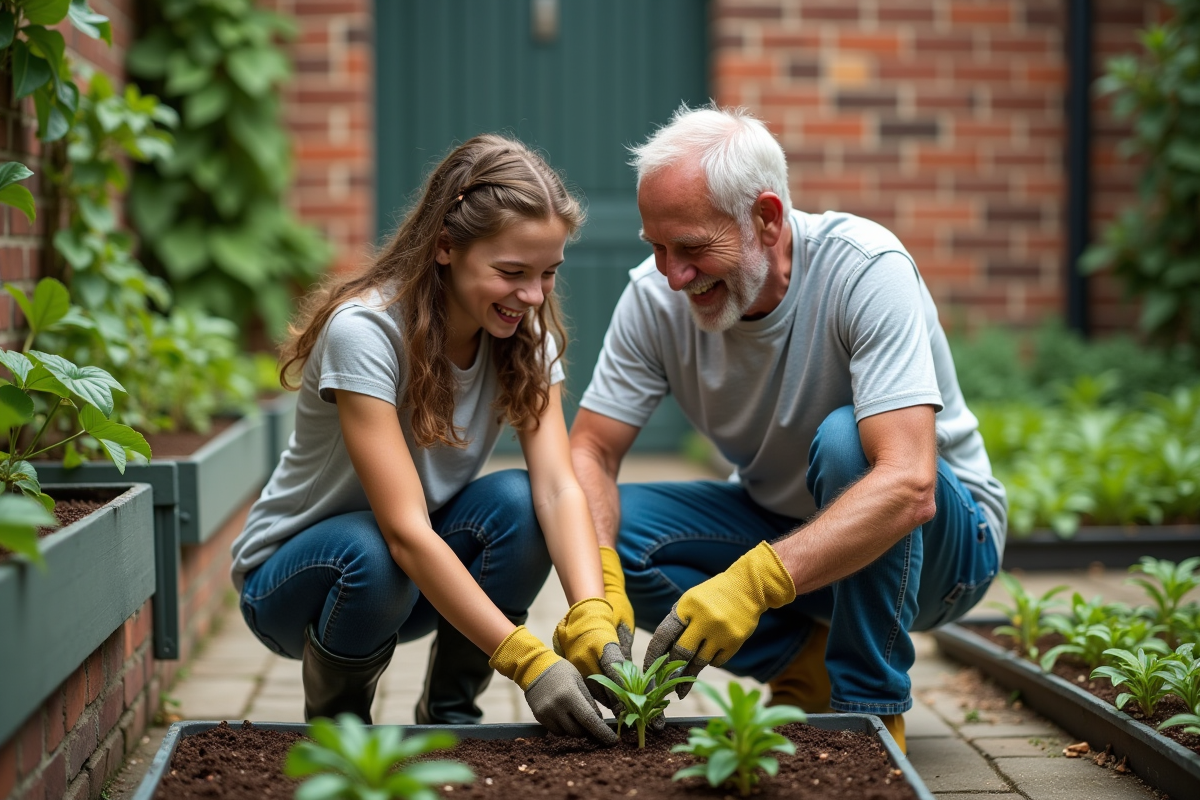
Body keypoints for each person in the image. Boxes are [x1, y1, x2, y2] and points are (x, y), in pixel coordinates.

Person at [569, 105, 1007, 752]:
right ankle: (804, 664)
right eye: (656, 248)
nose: (672, 275)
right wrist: (596, 582)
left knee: (847, 440)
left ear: (767, 219)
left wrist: (753, 584)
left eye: (691, 247)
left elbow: (910, 483)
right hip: (788, 525)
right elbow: (591, 450)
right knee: (614, 527)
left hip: (945, 552)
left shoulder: (865, 269)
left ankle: (867, 714)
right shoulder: (652, 299)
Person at [230, 135, 621, 744]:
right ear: (445, 246)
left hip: (410, 584)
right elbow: (405, 532)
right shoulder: (365, 331)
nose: (533, 296)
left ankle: (450, 720)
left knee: (519, 504)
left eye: (548, 273)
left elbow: (557, 488)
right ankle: (341, 744)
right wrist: (528, 661)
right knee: (371, 549)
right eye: (511, 272)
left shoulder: (523, 332)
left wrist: (590, 612)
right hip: (295, 584)